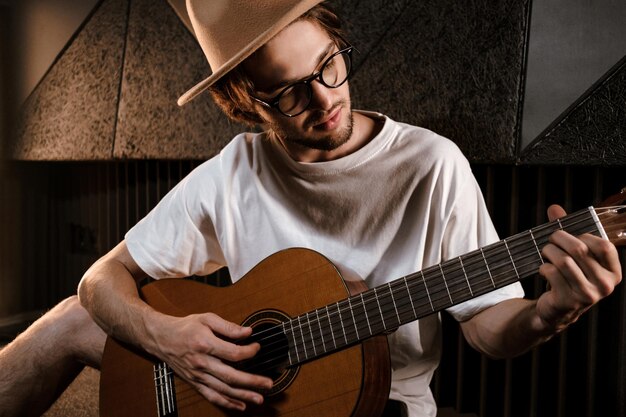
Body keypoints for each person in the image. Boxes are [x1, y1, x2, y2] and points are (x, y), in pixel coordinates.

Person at [0, 1, 621, 416]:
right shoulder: (235, 170)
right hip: (254, 397)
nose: (323, 99)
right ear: (247, 104)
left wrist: (549, 313)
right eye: (287, 93)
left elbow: (489, 327)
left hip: (377, 406)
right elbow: (98, 281)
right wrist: (167, 339)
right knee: (65, 322)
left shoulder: (433, 165)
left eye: (328, 65)